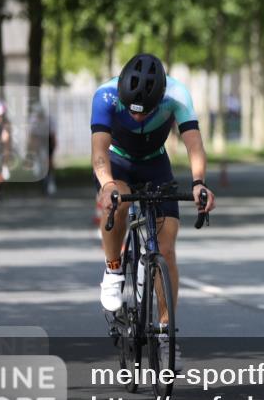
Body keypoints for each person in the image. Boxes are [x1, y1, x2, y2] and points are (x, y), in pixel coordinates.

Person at [91, 53, 215, 371]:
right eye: (132, 110)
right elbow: (99, 152)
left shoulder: (177, 95)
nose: (137, 117)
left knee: (167, 248)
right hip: (117, 163)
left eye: (145, 111)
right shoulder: (104, 95)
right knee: (118, 203)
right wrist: (106, 186)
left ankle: (163, 333)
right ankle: (114, 268)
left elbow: (194, 144)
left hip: (156, 165)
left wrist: (199, 183)